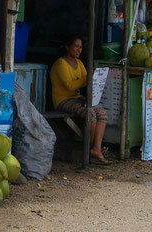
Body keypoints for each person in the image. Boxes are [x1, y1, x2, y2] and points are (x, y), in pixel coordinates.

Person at [50, 36, 110, 164]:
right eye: (76, 46)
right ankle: (90, 148)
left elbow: (86, 80)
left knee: (102, 113)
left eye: (81, 47)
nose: (79, 49)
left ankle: (96, 148)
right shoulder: (60, 64)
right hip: (63, 100)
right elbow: (70, 85)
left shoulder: (80, 63)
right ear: (67, 47)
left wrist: (92, 78)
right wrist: (88, 79)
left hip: (77, 99)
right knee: (91, 114)